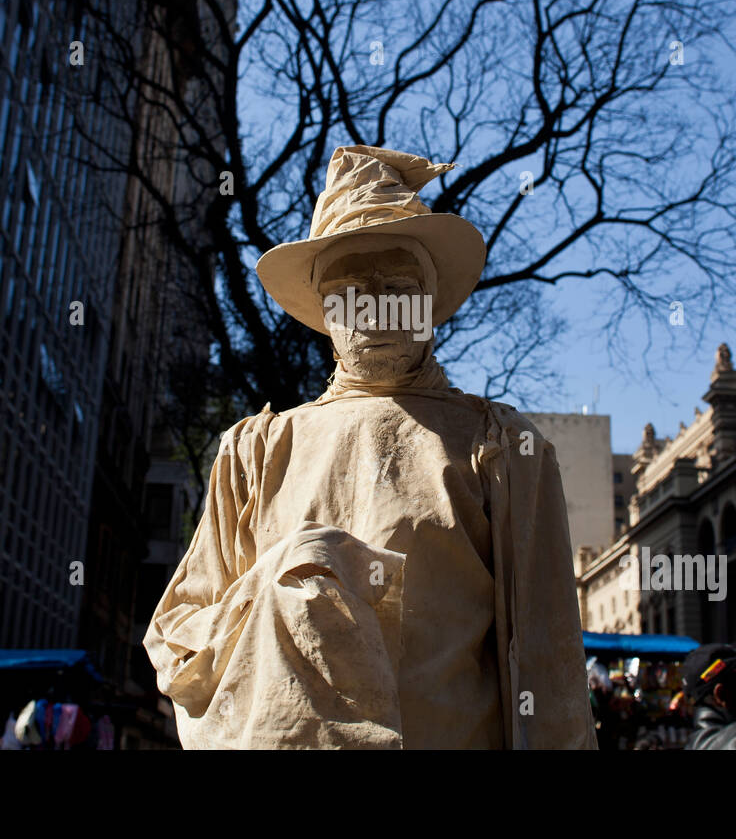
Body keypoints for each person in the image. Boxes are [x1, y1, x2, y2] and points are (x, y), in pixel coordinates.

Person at [143, 145, 596, 749]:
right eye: (351, 286)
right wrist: (285, 586)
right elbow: (179, 639)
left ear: (429, 301)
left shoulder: (505, 447)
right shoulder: (253, 450)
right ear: (326, 310)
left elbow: (549, 659)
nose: (376, 304)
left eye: (398, 283)